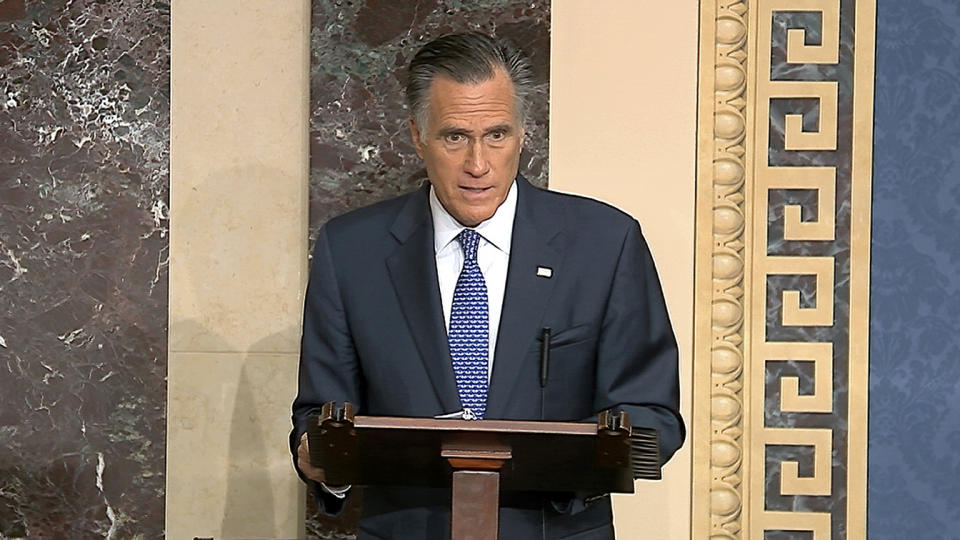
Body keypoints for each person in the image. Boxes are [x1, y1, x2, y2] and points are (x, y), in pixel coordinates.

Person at [290, 32, 684, 539]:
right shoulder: (351, 250)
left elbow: (652, 413)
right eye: (455, 137)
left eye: (496, 135)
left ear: (523, 133)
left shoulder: (604, 243)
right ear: (417, 135)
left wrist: (579, 461)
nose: (478, 165)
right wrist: (323, 460)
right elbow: (318, 413)